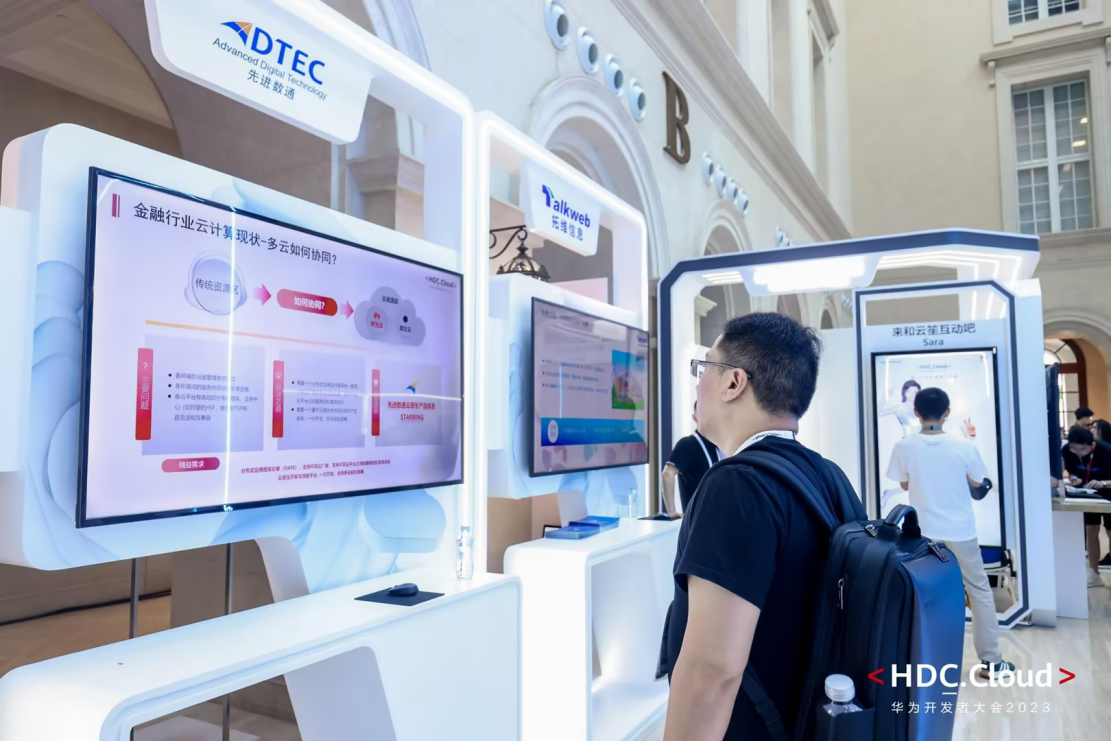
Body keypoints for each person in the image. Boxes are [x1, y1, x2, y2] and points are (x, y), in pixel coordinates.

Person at [664, 313, 854, 740]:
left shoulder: (737, 486)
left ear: (734, 382)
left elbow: (712, 671)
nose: (698, 382)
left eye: (703, 367)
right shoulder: (829, 477)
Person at [886, 387, 1014, 679]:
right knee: (979, 592)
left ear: (916, 412)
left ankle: (922, 661)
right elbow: (978, 482)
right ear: (947, 412)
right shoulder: (964, 446)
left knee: (922, 593)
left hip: (923, 534)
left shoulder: (904, 446)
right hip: (960, 531)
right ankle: (992, 662)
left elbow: (904, 484)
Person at [1061, 425, 1111, 586]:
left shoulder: (1106, 451)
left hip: (1108, 492)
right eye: (1074, 449)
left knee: (1110, 531)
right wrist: (1073, 477)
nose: (1078, 453)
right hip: (1087, 494)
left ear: (1092, 445)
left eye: (1082, 449)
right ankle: (1094, 573)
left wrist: (1103, 483)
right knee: (1091, 529)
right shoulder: (1067, 451)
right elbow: (1071, 471)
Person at [661, 402, 719, 516]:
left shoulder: (716, 445)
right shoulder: (688, 444)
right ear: (695, 417)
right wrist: (672, 511)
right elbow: (667, 474)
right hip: (697, 519)